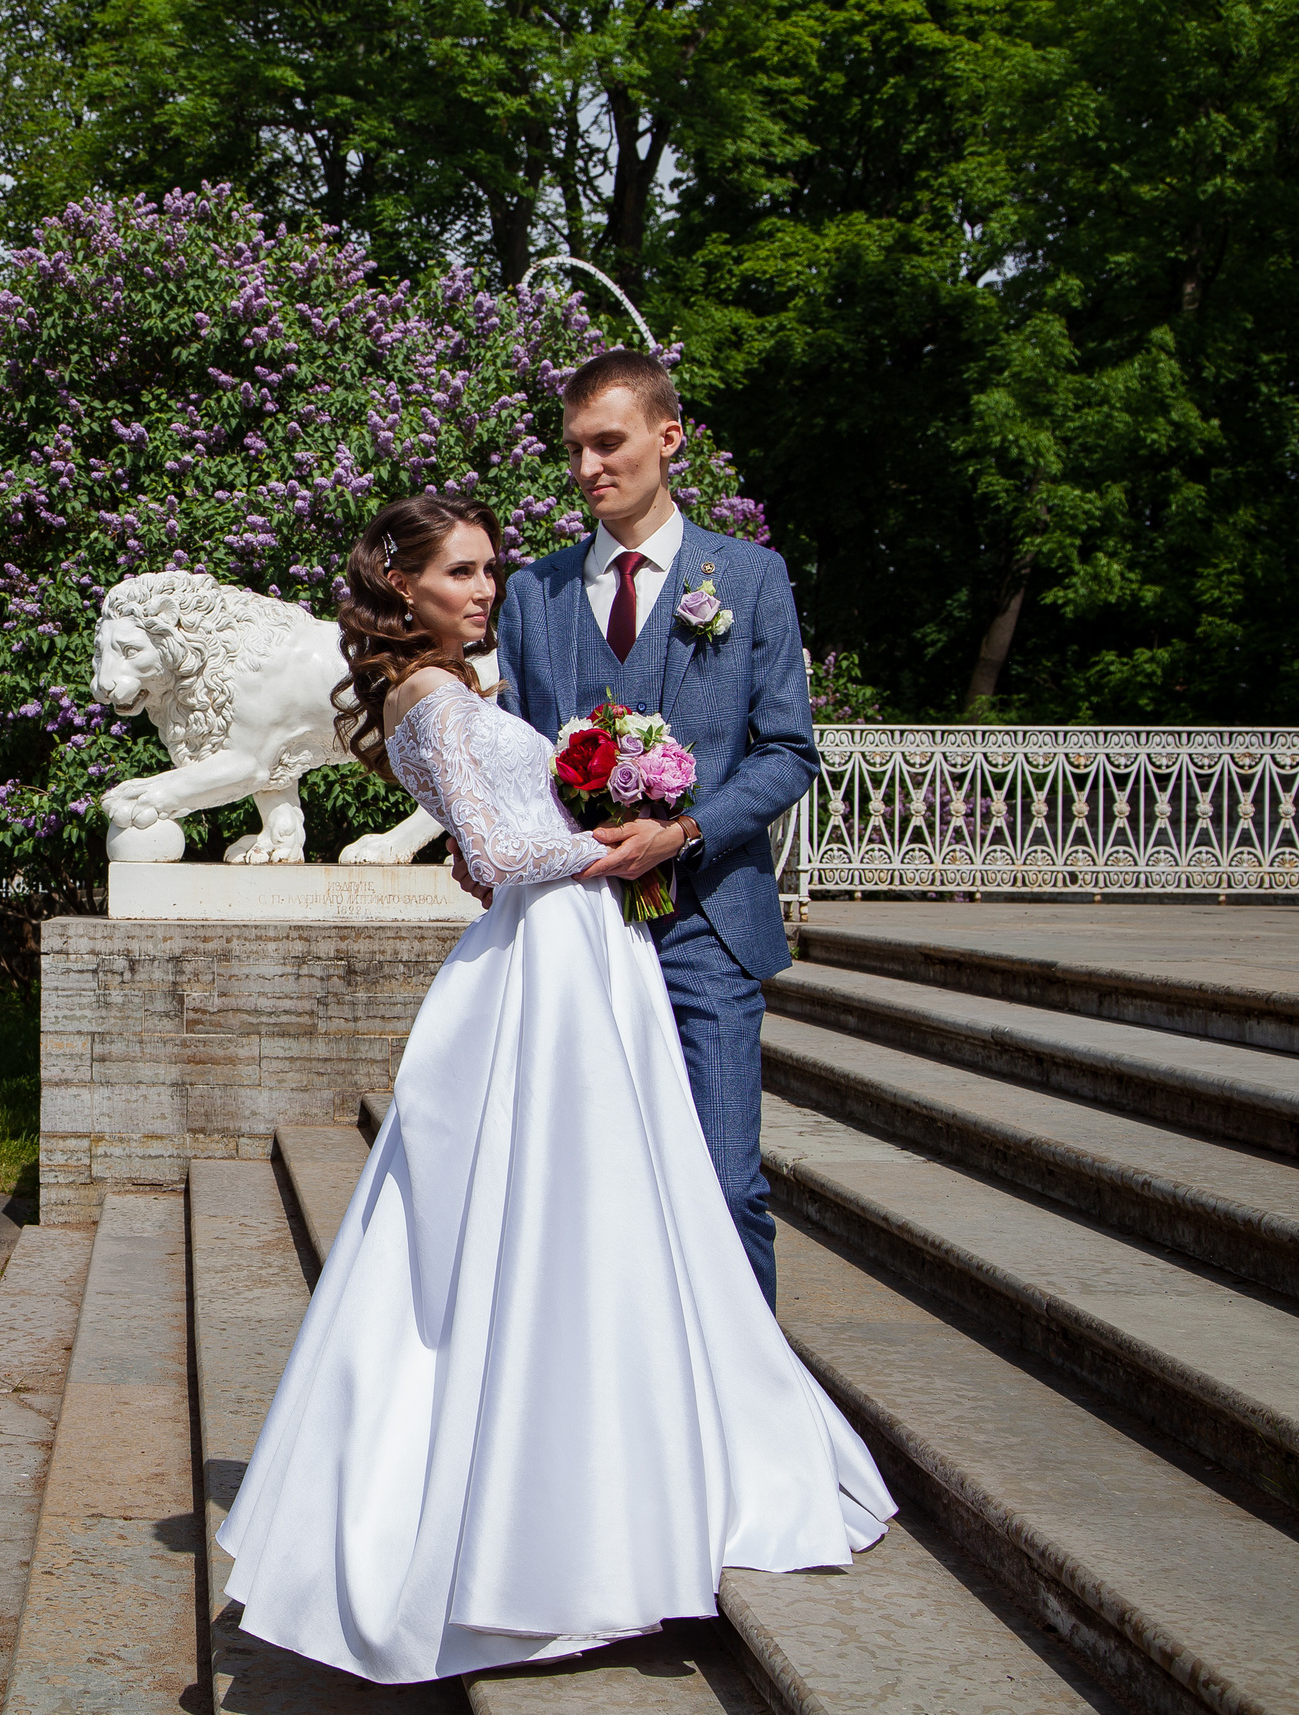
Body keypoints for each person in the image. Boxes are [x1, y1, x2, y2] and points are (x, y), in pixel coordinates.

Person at [213, 491, 891, 1686]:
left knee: (622, 1215)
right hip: (549, 959)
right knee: (556, 1225)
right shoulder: (422, 695)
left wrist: (609, 812)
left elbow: (503, 833)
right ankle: (549, 1528)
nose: (484, 590)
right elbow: (499, 849)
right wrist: (624, 839)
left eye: (486, 570)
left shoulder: (455, 687)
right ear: (402, 588)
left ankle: (638, 1480)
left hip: (582, 953)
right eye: (459, 574)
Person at [462, 347, 816, 1308]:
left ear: (669, 438)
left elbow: (787, 750)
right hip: (574, 931)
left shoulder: (748, 577)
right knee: (583, 1193)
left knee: (726, 1182)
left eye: (607, 443)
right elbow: (515, 755)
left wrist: (687, 831)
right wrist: (486, 840)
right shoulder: (532, 594)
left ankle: (749, 1426)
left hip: (710, 926)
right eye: (574, 450)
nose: (587, 469)